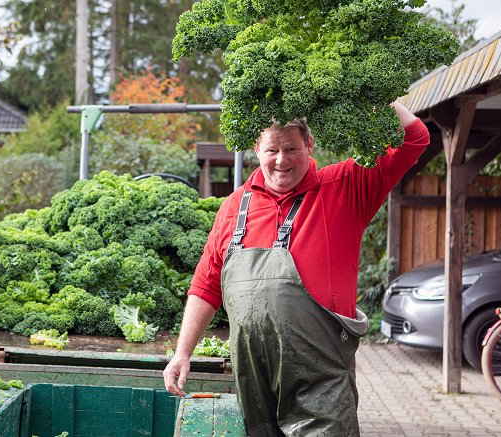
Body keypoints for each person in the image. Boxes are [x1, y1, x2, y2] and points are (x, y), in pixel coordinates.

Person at [163, 101, 428, 436]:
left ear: (309, 145)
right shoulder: (234, 206)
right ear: (256, 148)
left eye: (291, 148)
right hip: (254, 383)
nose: (281, 160)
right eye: (272, 149)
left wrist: (369, 94)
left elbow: (415, 138)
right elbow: (206, 285)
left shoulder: (344, 187)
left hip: (321, 385)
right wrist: (182, 353)